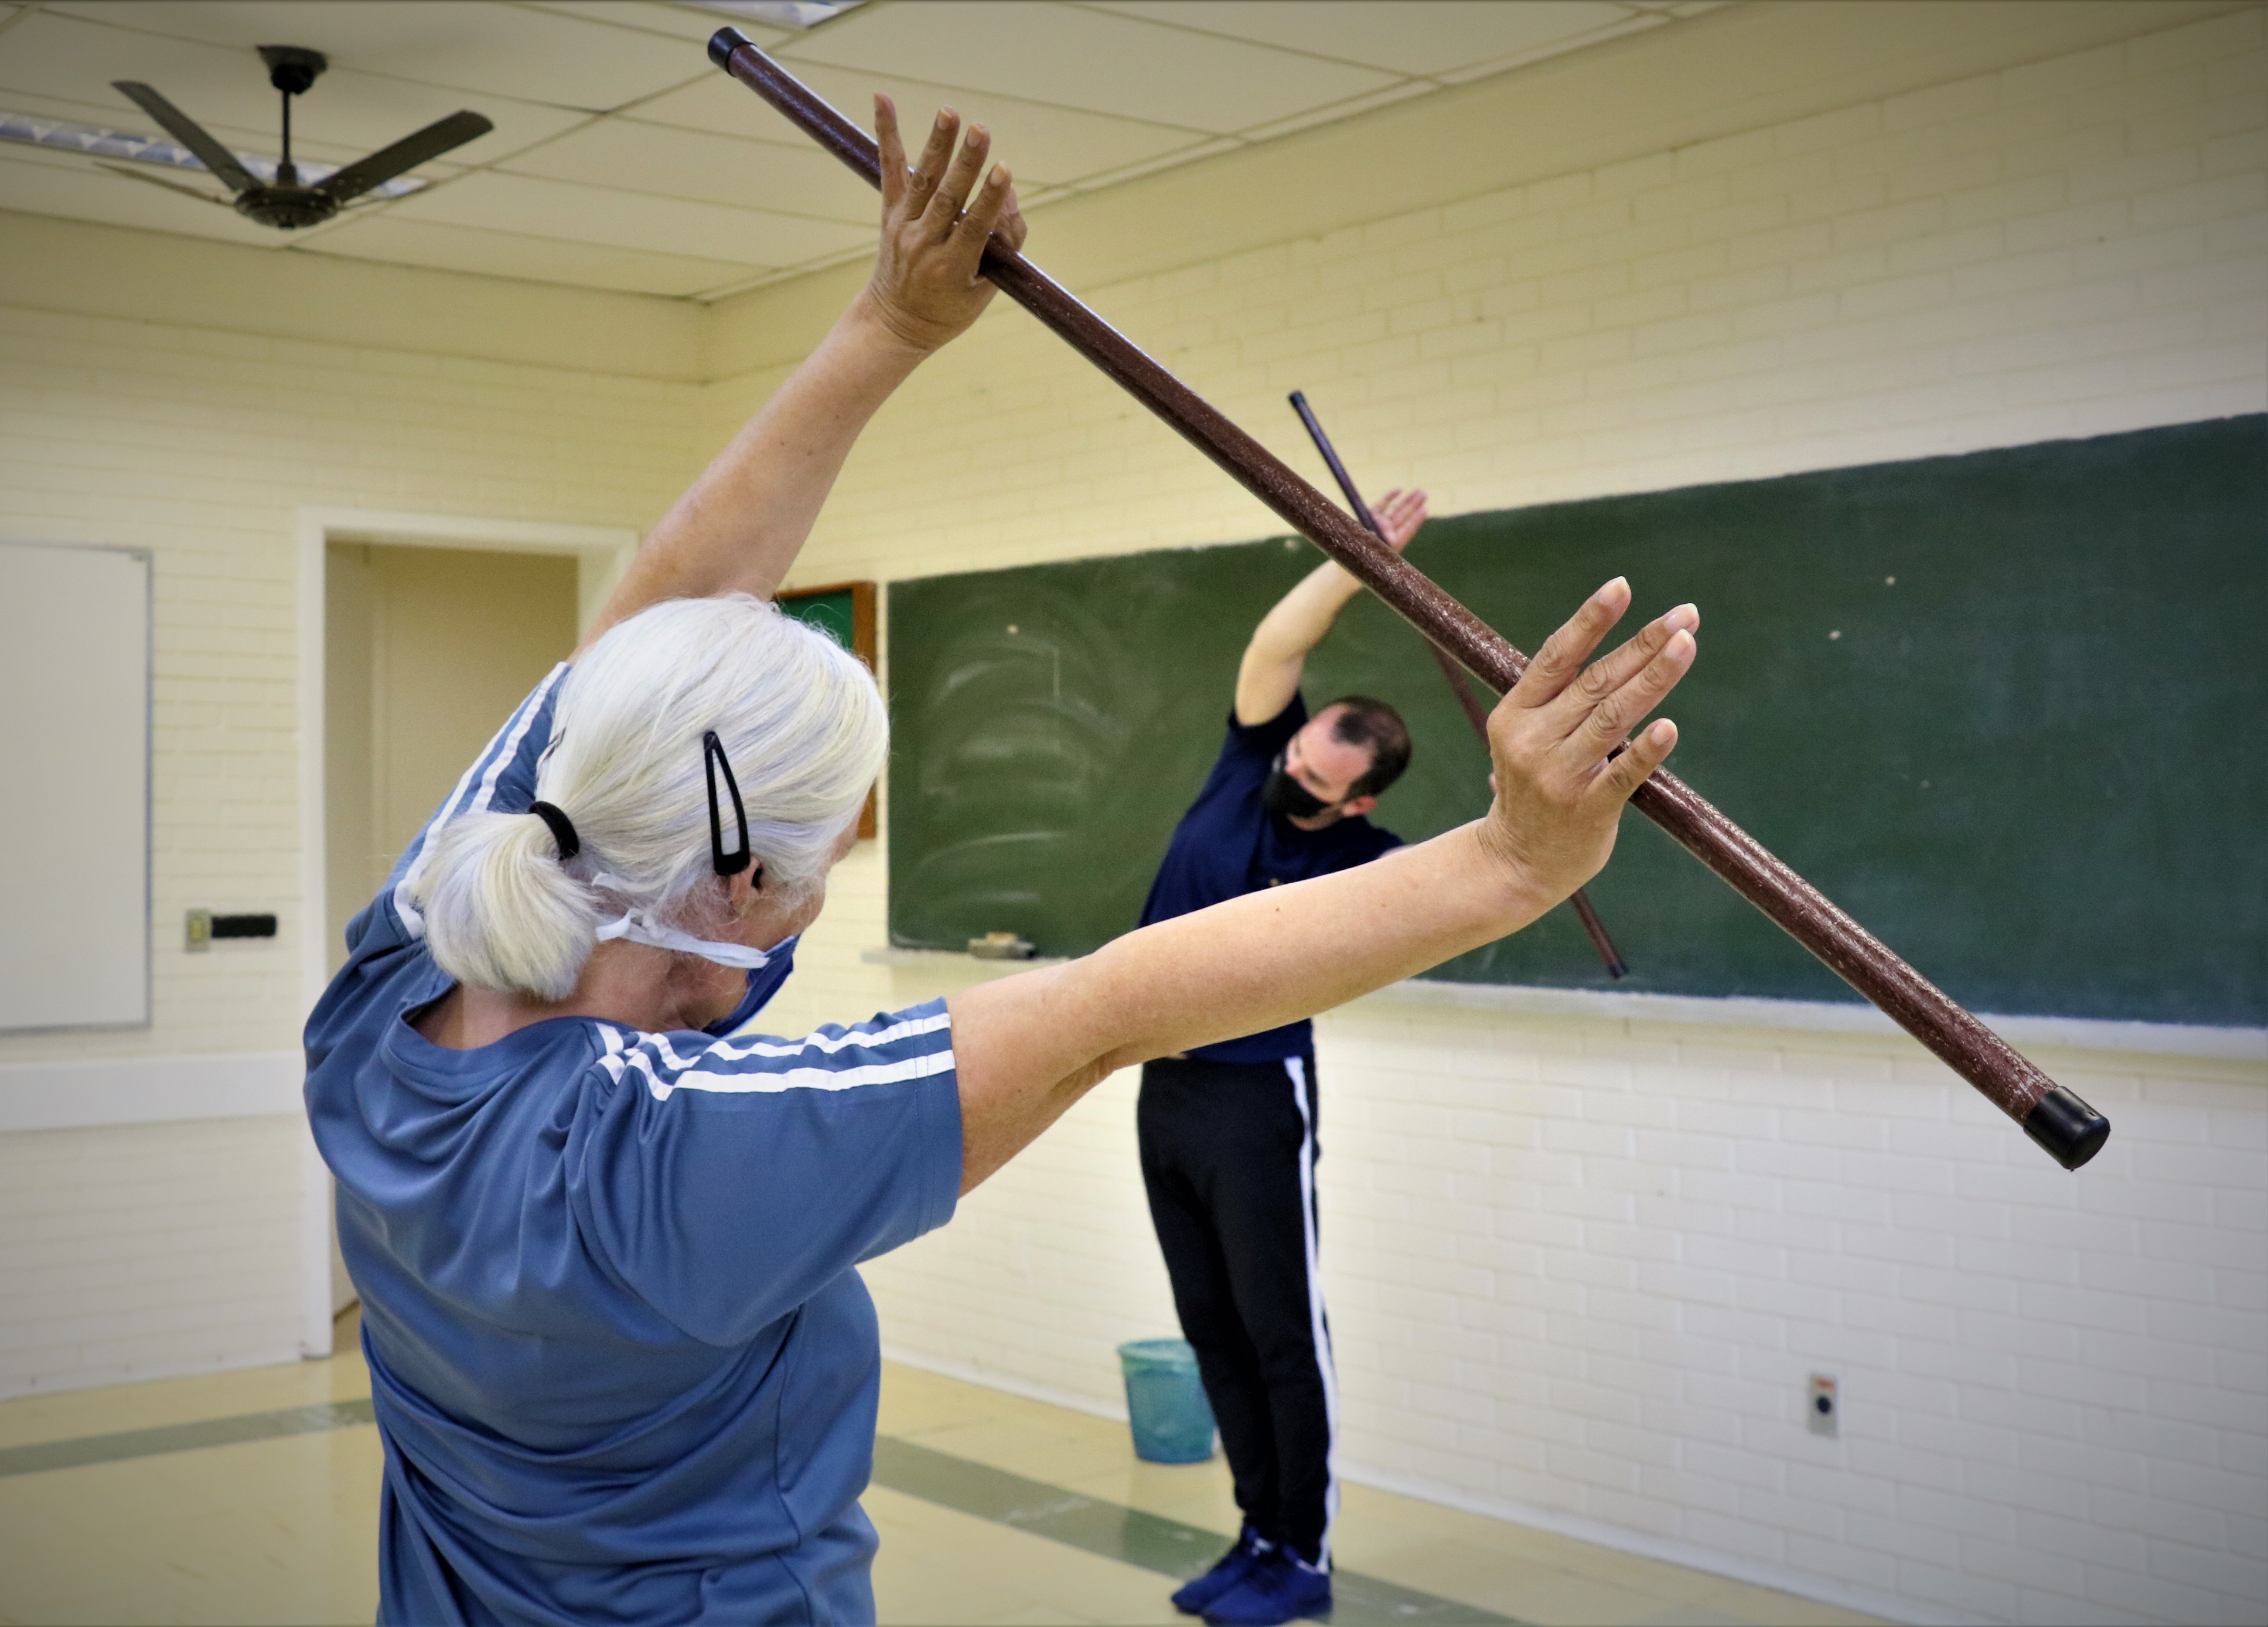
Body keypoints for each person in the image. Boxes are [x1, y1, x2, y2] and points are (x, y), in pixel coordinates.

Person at [304, 94, 1700, 1627]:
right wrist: (1511, 864)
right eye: (832, 845)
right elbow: (1112, 1005)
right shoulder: (667, 1166)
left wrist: (890, 327)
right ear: (747, 893)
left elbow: (644, 647)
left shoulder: (388, 985)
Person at [1131, 507, 1425, 1627]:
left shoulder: (1364, 863)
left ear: (1358, 800)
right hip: (1170, 1086)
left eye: (1316, 777)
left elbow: (1489, 867)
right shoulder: (1252, 759)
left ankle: (1301, 1554)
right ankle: (1253, 1529)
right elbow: (1275, 649)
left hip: (1258, 1095)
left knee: (1277, 1332)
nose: (1290, 774)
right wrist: (1351, 567)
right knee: (1207, 1321)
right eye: (1295, 754)